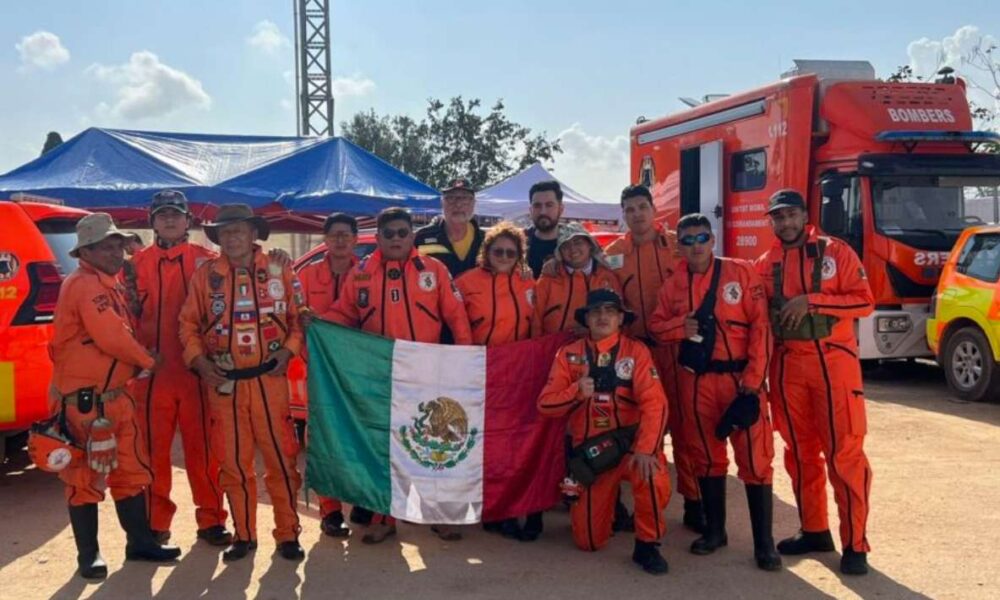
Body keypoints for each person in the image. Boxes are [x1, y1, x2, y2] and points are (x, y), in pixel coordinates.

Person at [326, 207, 474, 544]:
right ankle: (384, 517)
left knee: (434, 446)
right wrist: (317, 323)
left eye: (402, 233)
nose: (396, 239)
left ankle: (440, 515)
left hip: (427, 373)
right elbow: (344, 313)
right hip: (381, 375)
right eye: (389, 233)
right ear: (377, 237)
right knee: (386, 448)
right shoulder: (362, 273)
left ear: (412, 236)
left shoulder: (434, 270)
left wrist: (464, 360)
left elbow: (457, 316)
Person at [50, 213, 181, 580]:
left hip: (115, 398)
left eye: (117, 244)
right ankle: (88, 555)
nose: (115, 251)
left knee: (130, 471)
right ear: (86, 251)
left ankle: (139, 543)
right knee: (83, 477)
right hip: (86, 404)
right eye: (106, 246)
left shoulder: (110, 284)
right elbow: (112, 337)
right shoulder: (84, 285)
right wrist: (147, 360)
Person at [648, 213, 781, 571]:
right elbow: (657, 327)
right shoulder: (673, 284)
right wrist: (681, 326)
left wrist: (753, 383)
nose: (695, 246)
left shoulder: (740, 272)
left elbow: (761, 328)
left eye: (701, 238)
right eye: (687, 240)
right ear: (680, 246)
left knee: (755, 461)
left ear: (713, 239)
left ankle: (764, 545)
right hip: (697, 381)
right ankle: (715, 531)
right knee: (706, 457)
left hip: (741, 380)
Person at [755, 189, 875, 576]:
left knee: (844, 455)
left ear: (804, 215)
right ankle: (814, 529)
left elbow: (864, 302)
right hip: (788, 368)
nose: (785, 223)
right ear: (771, 221)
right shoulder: (765, 262)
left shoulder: (835, 252)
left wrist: (814, 301)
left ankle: (855, 544)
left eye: (791, 215)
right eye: (778, 217)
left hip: (833, 367)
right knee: (799, 454)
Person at [178, 204, 305, 562]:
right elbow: (187, 324)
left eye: (239, 230)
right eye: (225, 232)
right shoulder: (206, 277)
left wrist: (290, 350)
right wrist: (199, 362)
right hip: (224, 385)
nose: (232, 237)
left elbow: (298, 319)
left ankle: (288, 534)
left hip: (270, 381)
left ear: (253, 234)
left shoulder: (280, 267)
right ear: (217, 238)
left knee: (282, 462)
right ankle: (244, 534)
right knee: (233, 464)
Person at [538, 289, 670, 575]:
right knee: (588, 541)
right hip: (594, 455)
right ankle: (608, 512)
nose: (602, 317)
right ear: (586, 318)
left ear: (621, 318)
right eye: (595, 311)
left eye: (609, 311)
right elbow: (545, 404)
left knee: (651, 475)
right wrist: (576, 392)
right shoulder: (569, 354)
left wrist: (646, 449)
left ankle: (647, 544)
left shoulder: (636, 351)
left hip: (631, 447)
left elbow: (656, 404)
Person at [126, 190, 230, 547]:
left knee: (205, 452)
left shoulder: (209, 261)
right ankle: (157, 522)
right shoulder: (133, 265)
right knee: (152, 454)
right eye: (162, 214)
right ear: (152, 220)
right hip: (151, 377)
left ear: (189, 220)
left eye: (176, 214)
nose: (169, 220)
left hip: (197, 375)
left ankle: (212, 520)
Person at [604, 185, 705, 533]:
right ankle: (639, 503)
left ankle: (693, 501)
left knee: (684, 426)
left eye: (642, 207)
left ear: (654, 208)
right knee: (638, 428)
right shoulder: (614, 254)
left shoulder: (679, 246)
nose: (637, 214)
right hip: (635, 354)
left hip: (676, 348)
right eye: (629, 209)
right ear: (624, 214)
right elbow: (602, 292)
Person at [454, 222, 539, 540]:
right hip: (478, 370)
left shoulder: (529, 283)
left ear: (520, 256)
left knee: (510, 442)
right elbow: (453, 325)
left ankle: (502, 506)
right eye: (498, 251)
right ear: (486, 252)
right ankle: (487, 508)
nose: (504, 256)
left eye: (511, 252)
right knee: (482, 441)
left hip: (517, 373)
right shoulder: (465, 283)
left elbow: (539, 324)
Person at [297, 213, 360, 537]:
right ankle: (330, 510)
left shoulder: (366, 274)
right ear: (325, 238)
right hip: (319, 371)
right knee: (322, 440)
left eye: (345, 235)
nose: (339, 240)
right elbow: (292, 317)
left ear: (354, 238)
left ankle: (363, 500)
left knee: (360, 436)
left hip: (358, 371)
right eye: (334, 234)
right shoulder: (306, 276)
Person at [531, 223, 621, 337]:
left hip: (596, 347)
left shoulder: (607, 277)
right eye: (566, 246)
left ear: (590, 245)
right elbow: (536, 319)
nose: (572, 249)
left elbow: (619, 316)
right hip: (552, 348)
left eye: (578, 242)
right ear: (560, 252)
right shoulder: (549, 278)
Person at [415, 177, 485, 278]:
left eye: (464, 198)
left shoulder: (487, 240)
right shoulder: (421, 238)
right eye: (451, 198)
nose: (458, 204)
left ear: (474, 203)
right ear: (442, 203)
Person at [525, 180, 565, 279]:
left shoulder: (576, 244)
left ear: (561, 209)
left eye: (549, 205)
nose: (543, 211)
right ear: (530, 210)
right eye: (537, 206)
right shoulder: (518, 242)